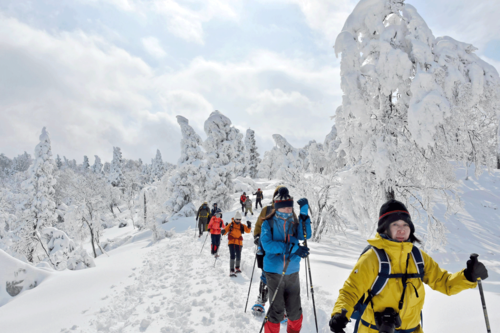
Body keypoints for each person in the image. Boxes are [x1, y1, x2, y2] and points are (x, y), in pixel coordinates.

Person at [329, 199, 489, 333]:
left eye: (405, 225)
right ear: (385, 227)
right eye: (395, 225)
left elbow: (444, 282)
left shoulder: (417, 257)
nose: (401, 230)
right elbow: (351, 290)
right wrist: (339, 314)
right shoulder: (373, 257)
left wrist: (468, 276)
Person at [260, 187, 311, 333]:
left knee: (295, 312)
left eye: (291, 207)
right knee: (276, 311)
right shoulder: (268, 223)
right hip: (273, 271)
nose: (289, 210)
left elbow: (306, 236)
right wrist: (293, 248)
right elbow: (268, 245)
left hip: (292, 270)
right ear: (278, 208)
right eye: (286, 207)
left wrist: (303, 217)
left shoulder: (294, 223)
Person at [252, 185, 288, 314]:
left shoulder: (289, 212)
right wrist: (257, 236)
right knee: (266, 276)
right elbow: (258, 225)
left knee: (283, 277)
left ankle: (282, 307)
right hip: (267, 250)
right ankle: (261, 301)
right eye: (278, 195)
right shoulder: (267, 210)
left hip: (284, 251)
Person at [222, 211, 251, 277]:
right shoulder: (231, 224)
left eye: (239, 219)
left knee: (238, 255)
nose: (238, 220)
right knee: (232, 255)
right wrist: (223, 231)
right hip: (232, 242)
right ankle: (232, 270)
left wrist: (249, 226)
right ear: (234, 218)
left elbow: (248, 231)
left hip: (239, 242)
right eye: (237, 219)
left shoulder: (242, 225)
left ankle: (237, 267)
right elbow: (225, 230)